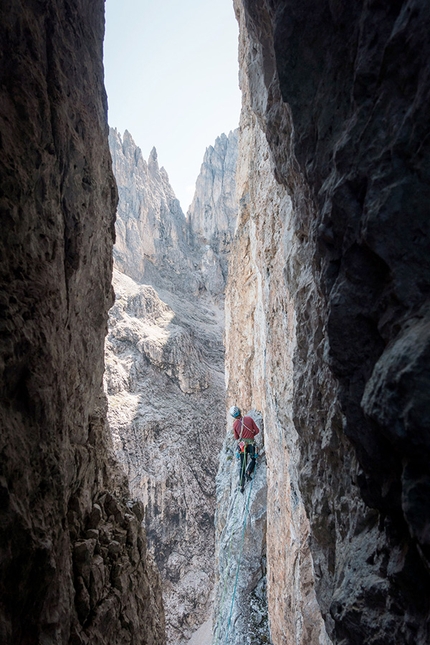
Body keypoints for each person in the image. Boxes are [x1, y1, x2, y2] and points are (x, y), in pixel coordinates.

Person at [229, 406, 260, 493]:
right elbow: (257, 431)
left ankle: (241, 485)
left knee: (243, 464)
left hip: (243, 446)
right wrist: (251, 435)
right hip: (251, 444)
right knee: (254, 458)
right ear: (240, 411)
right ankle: (249, 472)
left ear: (233, 416)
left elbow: (236, 437)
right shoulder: (249, 419)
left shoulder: (235, 425)